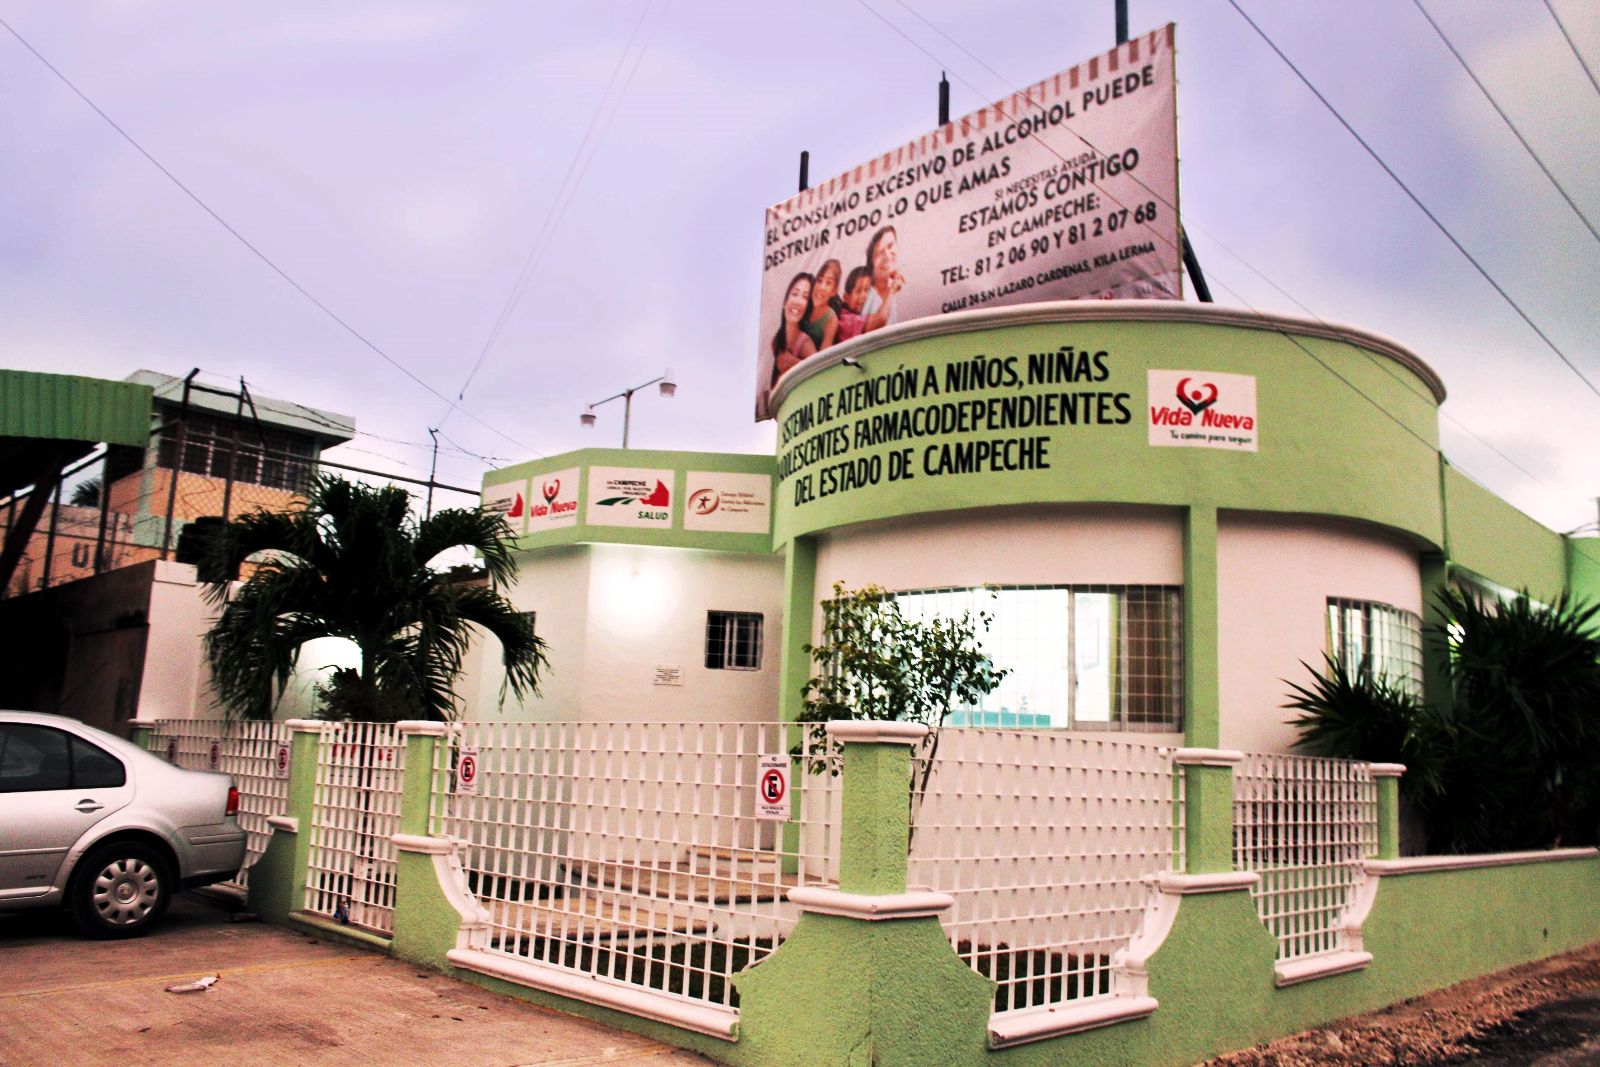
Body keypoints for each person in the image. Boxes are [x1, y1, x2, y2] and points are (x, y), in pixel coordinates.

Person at [771, 272, 818, 385]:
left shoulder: (805, 343)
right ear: (784, 302)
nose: (798, 301)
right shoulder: (776, 341)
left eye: (805, 297)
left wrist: (793, 362)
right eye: (795, 294)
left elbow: (819, 377)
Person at [861, 225, 904, 333]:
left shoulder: (891, 285)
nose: (887, 256)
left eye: (890, 246)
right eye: (880, 252)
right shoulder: (866, 293)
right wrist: (892, 292)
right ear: (872, 261)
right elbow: (869, 329)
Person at [801, 259, 840, 352]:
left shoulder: (831, 319)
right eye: (819, 280)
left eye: (828, 283)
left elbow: (823, 356)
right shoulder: (804, 302)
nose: (822, 287)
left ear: (834, 291)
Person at [835, 266, 871, 343]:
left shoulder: (864, 314)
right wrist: (890, 291)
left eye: (868, 290)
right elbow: (880, 319)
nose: (864, 296)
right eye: (858, 291)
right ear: (846, 297)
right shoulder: (846, 319)